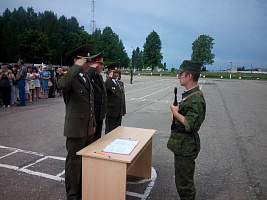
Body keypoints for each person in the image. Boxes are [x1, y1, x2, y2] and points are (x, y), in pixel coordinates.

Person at [58, 44, 96, 200]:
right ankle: (73, 193)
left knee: (84, 161)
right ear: (77, 61)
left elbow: (90, 103)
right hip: (75, 128)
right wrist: (75, 66)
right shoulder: (71, 77)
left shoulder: (85, 77)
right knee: (74, 162)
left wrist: (92, 124)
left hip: (86, 127)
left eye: (88, 61)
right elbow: (61, 85)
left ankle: (82, 188)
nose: (88, 64)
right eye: (85, 61)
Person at [167, 60, 206, 200]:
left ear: (189, 76)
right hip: (182, 145)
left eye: (181, 73)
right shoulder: (190, 94)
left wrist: (176, 113)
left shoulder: (196, 98)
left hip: (186, 146)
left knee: (184, 184)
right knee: (182, 180)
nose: (179, 76)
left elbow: (192, 124)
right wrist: (176, 117)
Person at [87, 52, 107, 141]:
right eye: (100, 64)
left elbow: (103, 94)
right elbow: (86, 80)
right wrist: (91, 69)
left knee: (97, 138)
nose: (102, 67)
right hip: (92, 114)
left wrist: (104, 111)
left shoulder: (99, 76)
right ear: (95, 65)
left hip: (99, 113)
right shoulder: (89, 76)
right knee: (91, 138)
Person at [105, 62, 126, 134]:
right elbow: (105, 89)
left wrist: (123, 109)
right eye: (114, 72)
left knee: (118, 130)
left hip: (119, 111)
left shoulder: (120, 83)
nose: (116, 74)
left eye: (117, 72)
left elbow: (122, 97)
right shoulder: (108, 82)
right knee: (110, 131)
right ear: (110, 72)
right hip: (111, 111)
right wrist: (109, 78)